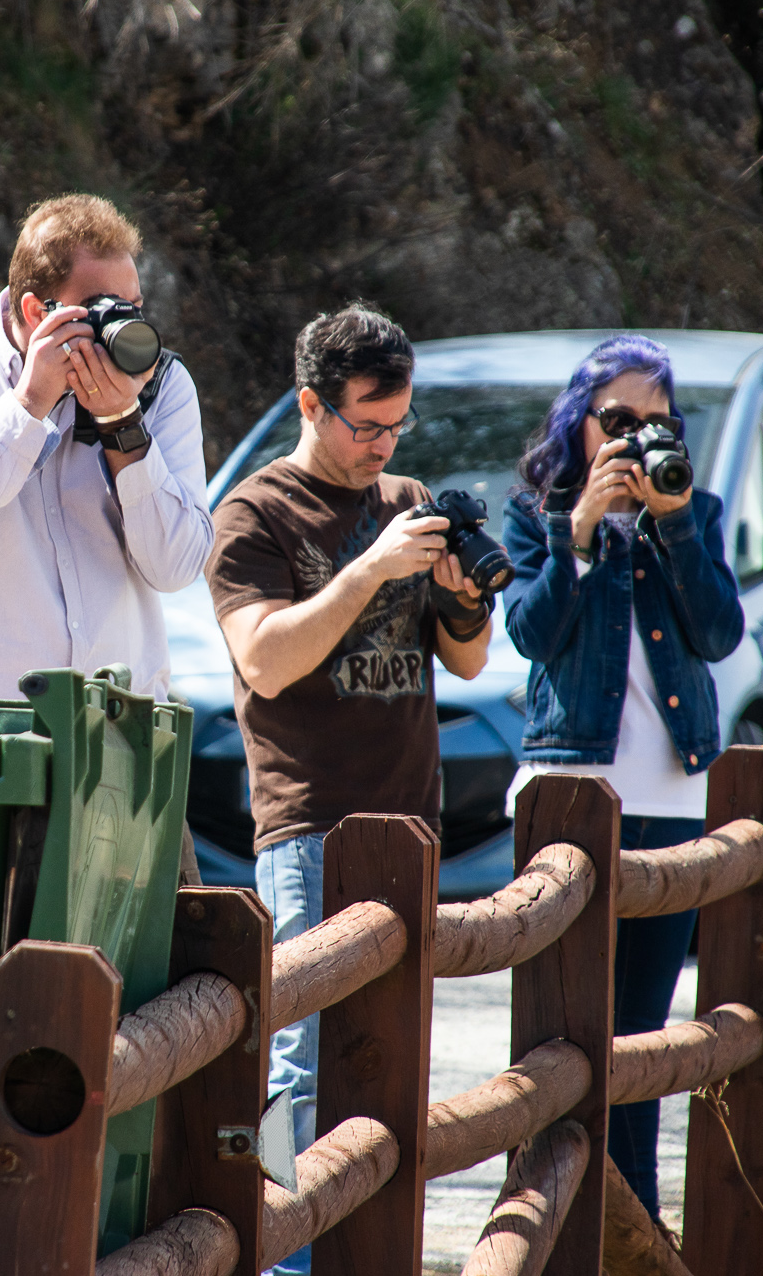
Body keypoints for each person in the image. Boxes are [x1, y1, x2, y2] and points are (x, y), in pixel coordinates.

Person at [207, 305, 492, 1276]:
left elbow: (466, 659)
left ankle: (366, 1253)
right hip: (309, 828)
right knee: (300, 1060)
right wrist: (371, 567)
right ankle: (284, 1260)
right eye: (365, 424)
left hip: (407, 830)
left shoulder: (406, 498)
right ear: (309, 405)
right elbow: (264, 659)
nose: (382, 446)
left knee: (389, 1056)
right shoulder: (253, 513)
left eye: (397, 425)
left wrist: (461, 595)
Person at [500, 332, 745, 1219]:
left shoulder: (694, 511)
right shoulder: (534, 514)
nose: (637, 437)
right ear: (579, 423)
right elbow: (530, 634)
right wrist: (576, 533)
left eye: (656, 421)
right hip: (570, 793)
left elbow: (718, 634)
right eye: (617, 419)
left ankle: (631, 1230)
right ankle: (554, 1218)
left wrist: (672, 522)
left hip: (671, 798)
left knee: (639, 1035)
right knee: (564, 1031)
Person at [0, 194, 211, 700]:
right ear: (37, 311)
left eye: (133, 308)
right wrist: (28, 405)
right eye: (103, 311)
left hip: (120, 718)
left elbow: (175, 567)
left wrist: (123, 424)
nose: (123, 326)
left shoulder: (161, 385)